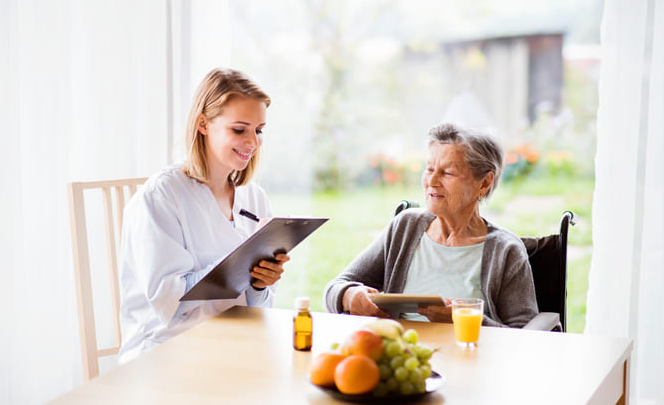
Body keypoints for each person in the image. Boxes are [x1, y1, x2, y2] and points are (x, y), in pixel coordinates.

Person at [118, 68, 289, 362]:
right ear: (203, 125)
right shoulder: (163, 195)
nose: (253, 142)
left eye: (258, 130)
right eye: (239, 129)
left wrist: (260, 283)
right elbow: (168, 301)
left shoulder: (254, 197)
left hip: (233, 345)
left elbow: (258, 306)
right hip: (168, 352)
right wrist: (237, 267)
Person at [323, 123, 538, 328]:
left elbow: (525, 336)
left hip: (466, 361)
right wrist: (350, 296)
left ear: (484, 183)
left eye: (448, 173)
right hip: (399, 354)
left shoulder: (506, 251)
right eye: (429, 169)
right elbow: (335, 288)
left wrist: (464, 319)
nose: (432, 181)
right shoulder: (405, 226)